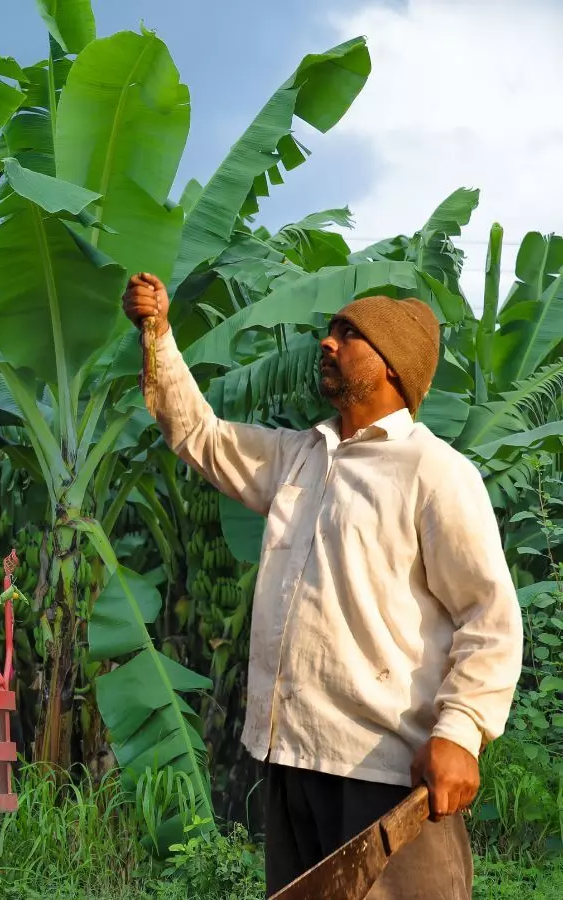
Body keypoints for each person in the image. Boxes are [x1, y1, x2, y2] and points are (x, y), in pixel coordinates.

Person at [121, 272, 523, 899]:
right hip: (294, 759)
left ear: (392, 366)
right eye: (331, 330)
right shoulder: (300, 456)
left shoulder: (436, 472)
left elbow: (488, 614)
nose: (327, 343)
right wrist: (159, 335)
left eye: (349, 334)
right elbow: (201, 435)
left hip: (387, 774)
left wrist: (461, 732)